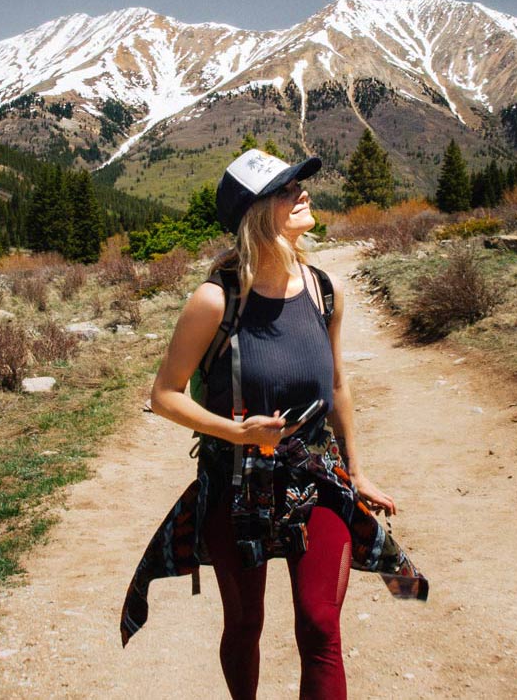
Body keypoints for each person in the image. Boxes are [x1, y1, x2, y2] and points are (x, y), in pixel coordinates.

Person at [120, 149, 428, 699]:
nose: (303, 193)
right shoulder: (215, 300)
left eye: (299, 184)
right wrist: (237, 432)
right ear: (255, 213)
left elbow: (336, 386)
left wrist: (356, 472)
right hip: (237, 486)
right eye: (287, 189)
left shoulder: (323, 290)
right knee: (244, 627)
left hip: (317, 478)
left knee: (319, 625)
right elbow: (163, 395)